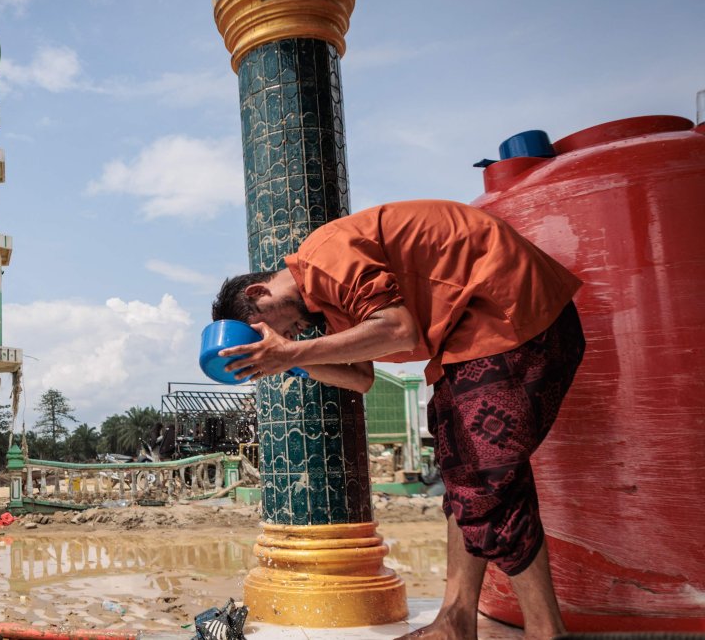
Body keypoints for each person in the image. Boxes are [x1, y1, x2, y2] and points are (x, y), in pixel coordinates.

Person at [212, 199, 584, 640]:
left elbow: (399, 329)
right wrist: (290, 363)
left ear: (258, 293)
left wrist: (290, 352)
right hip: (471, 336)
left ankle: (545, 630)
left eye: (265, 331)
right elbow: (362, 377)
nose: (282, 337)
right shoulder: (325, 302)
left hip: (507, 311)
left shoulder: (324, 255)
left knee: (484, 481)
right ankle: (456, 619)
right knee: (462, 472)